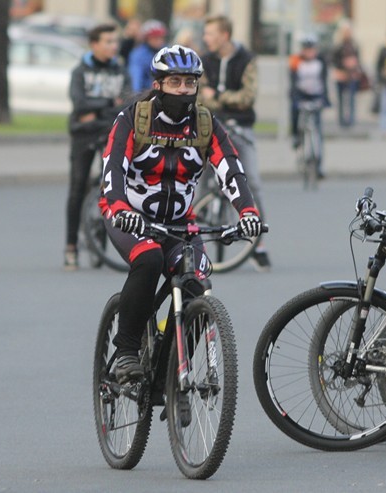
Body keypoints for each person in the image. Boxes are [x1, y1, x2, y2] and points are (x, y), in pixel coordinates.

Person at [99, 45, 263, 382]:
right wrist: (119, 208)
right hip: (130, 217)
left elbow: (231, 170)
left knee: (198, 285)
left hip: (180, 225)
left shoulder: (205, 124)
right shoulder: (133, 119)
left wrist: (247, 213)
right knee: (149, 259)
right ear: (158, 84)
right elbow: (112, 169)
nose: (183, 90)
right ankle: (127, 352)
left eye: (190, 83)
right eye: (175, 82)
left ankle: (169, 365)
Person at [198, 15, 271, 271]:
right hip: (208, 127)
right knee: (201, 182)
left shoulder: (247, 59)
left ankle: (258, 245)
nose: (206, 39)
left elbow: (247, 97)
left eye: (210, 34)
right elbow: (200, 96)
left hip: (241, 127)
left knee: (251, 182)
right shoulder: (204, 61)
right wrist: (222, 99)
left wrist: (217, 96)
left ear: (224, 35)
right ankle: (196, 240)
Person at [64, 23, 132, 270]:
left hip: (108, 132)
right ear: (94, 44)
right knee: (78, 187)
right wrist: (107, 103)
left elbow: (126, 105)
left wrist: (98, 111)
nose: (114, 46)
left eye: (115, 41)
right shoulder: (80, 71)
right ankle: (71, 247)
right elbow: (80, 104)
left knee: (108, 188)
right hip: (83, 135)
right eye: (108, 41)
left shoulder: (120, 71)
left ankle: (101, 246)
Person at [288, 34, 330, 176]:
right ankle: (295, 135)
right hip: (301, 94)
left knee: (317, 130)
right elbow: (293, 82)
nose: (309, 52)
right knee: (294, 111)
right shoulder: (296, 61)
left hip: (316, 94)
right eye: (307, 49)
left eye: (312, 49)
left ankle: (318, 165)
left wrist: (325, 100)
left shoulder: (320, 62)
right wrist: (295, 98)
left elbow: (324, 82)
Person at [330, 19, 364, 128]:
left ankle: (351, 121)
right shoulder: (338, 45)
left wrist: (355, 66)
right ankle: (341, 121)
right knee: (340, 100)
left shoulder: (354, 45)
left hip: (352, 75)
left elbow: (358, 59)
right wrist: (342, 65)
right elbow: (333, 60)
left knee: (351, 99)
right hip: (341, 75)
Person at [127, 19, 167, 92]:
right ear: (146, 39)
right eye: (155, 38)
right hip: (146, 92)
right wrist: (137, 96)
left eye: (161, 37)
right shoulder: (138, 54)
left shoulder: (167, 51)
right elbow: (136, 77)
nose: (159, 41)